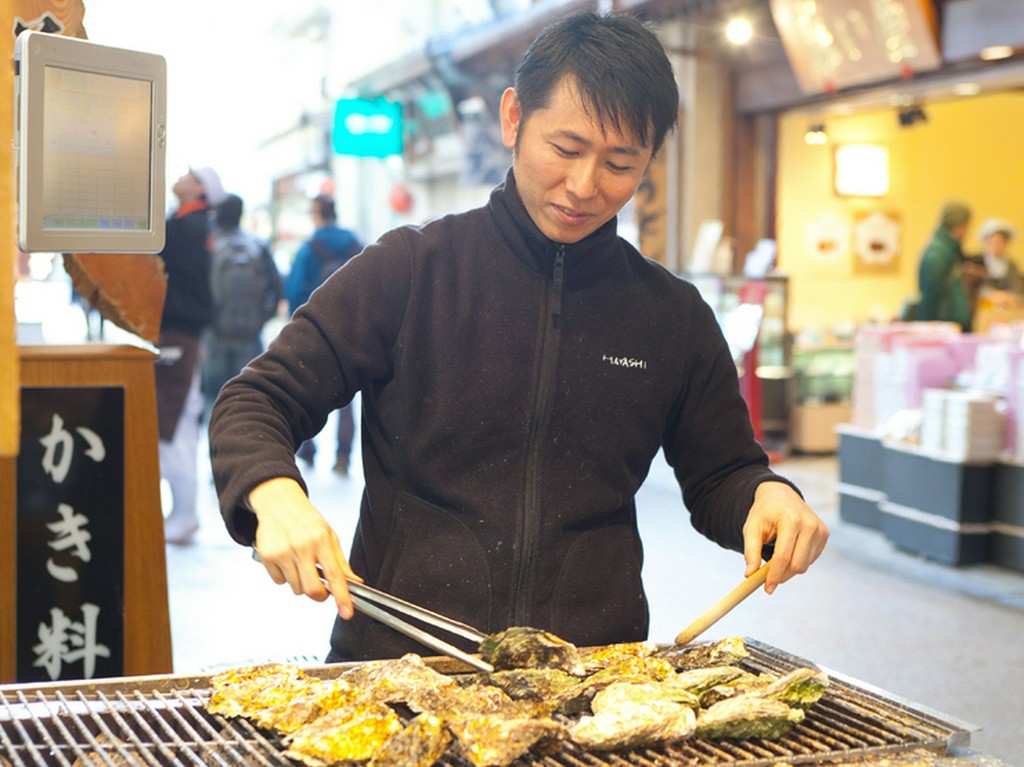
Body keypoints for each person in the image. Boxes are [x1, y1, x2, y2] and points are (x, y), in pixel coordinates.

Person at [209, 11, 829, 663]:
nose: (584, 186)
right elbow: (255, 401)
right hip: (401, 667)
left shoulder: (670, 315)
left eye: (620, 163)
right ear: (513, 118)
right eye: (565, 149)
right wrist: (273, 489)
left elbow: (723, 471)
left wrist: (769, 495)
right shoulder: (413, 270)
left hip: (587, 677)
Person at [158, 166, 226, 545]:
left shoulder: (188, 228)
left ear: (199, 188)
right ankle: (180, 513)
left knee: (175, 421)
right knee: (177, 418)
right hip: (185, 336)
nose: (180, 177)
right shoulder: (194, 226)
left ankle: (184, 515)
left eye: (189, 174)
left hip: (178, 336)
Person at [284, 193, 363, 476]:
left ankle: (308, 449)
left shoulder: (309, 247)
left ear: (317, 214)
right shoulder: (356, 244)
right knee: (351, 395)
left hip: (317, 327)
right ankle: (344, 456)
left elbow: (294, 290)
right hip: (354, 326)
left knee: (309, 385)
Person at [202, 193, 283, 416]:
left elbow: (200, 290)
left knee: (214, 401)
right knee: (248, 399)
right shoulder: (258, 246)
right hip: (250, 334)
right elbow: (276, 288)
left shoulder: (211, 247)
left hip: (216, 335)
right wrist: (261, 319)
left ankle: (215, 449)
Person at [914, 200, 974, 331]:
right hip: (942, 327)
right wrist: (927, 330)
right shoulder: (937, 253)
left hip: (948, 325)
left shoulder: (949, 249)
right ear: (959, 225)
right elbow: (930, 295)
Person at [972, 217, 1021, 305]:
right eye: (993, 242)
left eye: (999, 242)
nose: (996, 246)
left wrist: (1008, 297)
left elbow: (1017, 288)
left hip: (1007, 308)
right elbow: (975, 288)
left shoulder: (1012, 266)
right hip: (983, 306)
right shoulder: (977, 262)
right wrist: (994, 295)